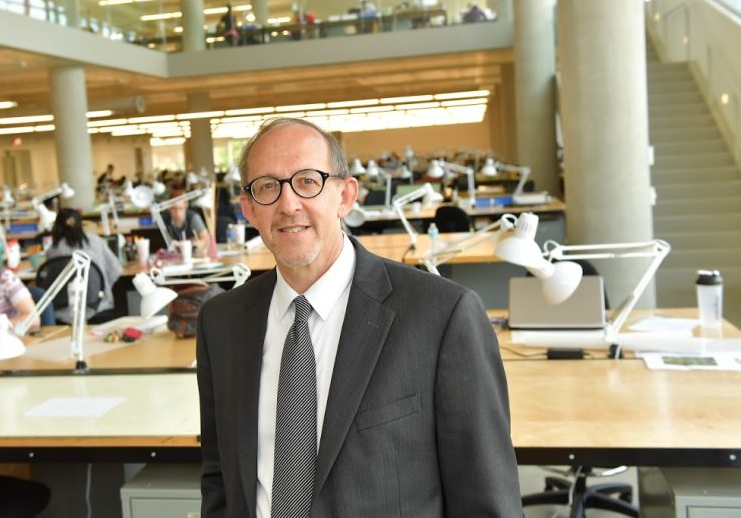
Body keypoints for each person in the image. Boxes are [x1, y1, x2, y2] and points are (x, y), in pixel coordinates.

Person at [196, 118, 521, 516]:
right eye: (267, 186)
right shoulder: (221, 322)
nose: (288, 204)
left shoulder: (441, 316)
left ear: (345, 196)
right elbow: (219, 475)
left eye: (307, 181)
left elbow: (486, 500)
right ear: (248, 209)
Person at [45, 208, 122, 322]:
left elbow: (51, 284)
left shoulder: (52, 251)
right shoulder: (95, 241)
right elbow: (116, 270)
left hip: (65, 313)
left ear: (57, 226)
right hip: (98, 308)